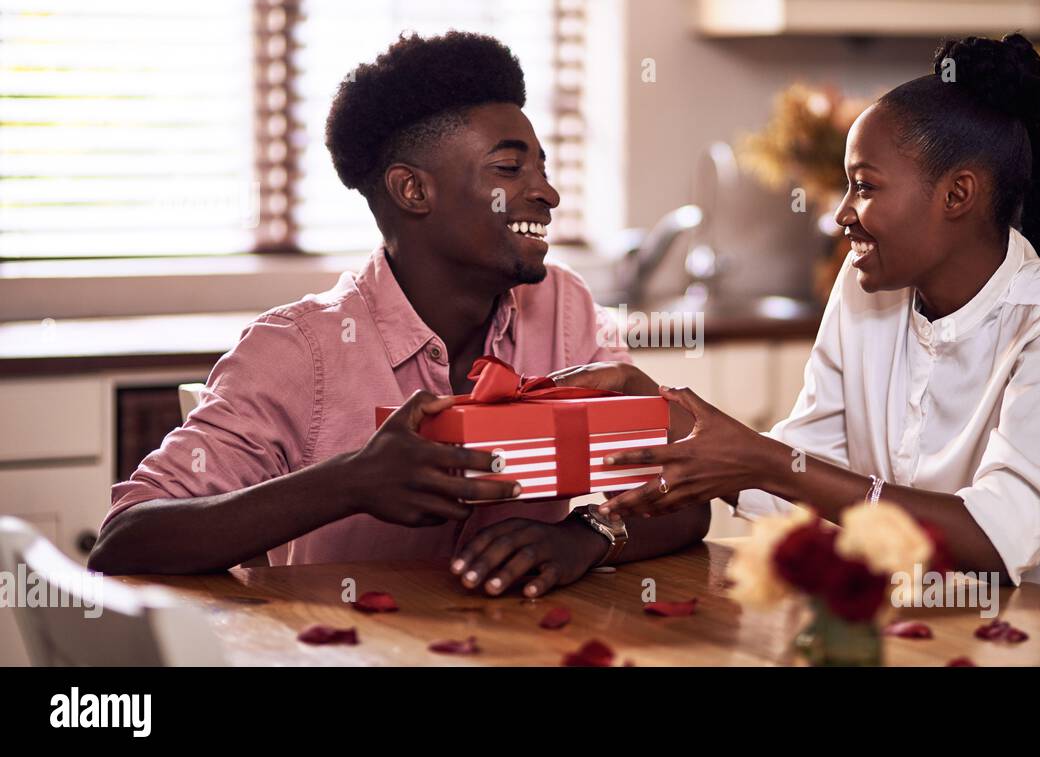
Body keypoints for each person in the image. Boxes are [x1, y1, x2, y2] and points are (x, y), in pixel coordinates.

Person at [88, 31, 710, 597]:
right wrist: (351, 482)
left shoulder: (563, 308)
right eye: (509, 168)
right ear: (413, 190)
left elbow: (685, 498)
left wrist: (585, 537)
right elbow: (124, 541)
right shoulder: (299, 350)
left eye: (542, 168)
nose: (546, 192)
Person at [553, 34, 1040, 607]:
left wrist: (764, 462)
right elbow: (807, 474)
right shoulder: (866, 289)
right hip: (925, 625)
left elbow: (998, 539)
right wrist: (656, 411)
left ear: (957, 194)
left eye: (864, 186)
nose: (841, 214)